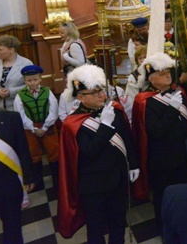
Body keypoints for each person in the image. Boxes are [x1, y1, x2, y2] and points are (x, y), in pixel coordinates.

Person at [57, 64, 139, 241]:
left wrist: (133, 164)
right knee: (96, 228)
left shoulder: (113, 110)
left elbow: (127, 139)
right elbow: (90, 151)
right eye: (95, 93)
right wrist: (105, 126)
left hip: (118, 178)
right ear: (80, 97)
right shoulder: (72, 123)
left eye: (101, 90)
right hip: (93, 185)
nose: (102, 95)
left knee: (118, 223)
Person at [131, 52, 187, 234]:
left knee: (183, 195)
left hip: (182, 155)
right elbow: (156, 131)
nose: (167, 75)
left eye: (167, 72)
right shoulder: (145, 101)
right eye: (161, 74)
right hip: (162, 161)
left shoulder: (177, 92)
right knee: (164, 198)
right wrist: (172, 110)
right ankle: (165, 230)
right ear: (151, 79)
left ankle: (182, 226)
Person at [13, 65, 59, 192]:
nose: (32, 83)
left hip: (47, 126)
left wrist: (44, 127)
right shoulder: (20, 95)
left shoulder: (47, 92)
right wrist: (33, 128)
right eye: (29, 80)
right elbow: (20, 114)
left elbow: (53, 110)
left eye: (35, 79)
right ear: (25, 80)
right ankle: (38, 182)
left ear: (40, 79)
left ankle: (58, 182)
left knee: (54, 152)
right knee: (34, 154)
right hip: (29, 128)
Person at [0, 109, 34, 243]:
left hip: (9, 186)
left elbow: (22, 147)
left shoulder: (11, 117)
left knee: (13, 231)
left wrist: (28, 176)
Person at [0, 35, 34, 111]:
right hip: (0, 110)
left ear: (11, 50)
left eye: (0, 49)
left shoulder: (26, 64)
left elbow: (32, 86)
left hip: (21, 109)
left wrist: (10, 92)